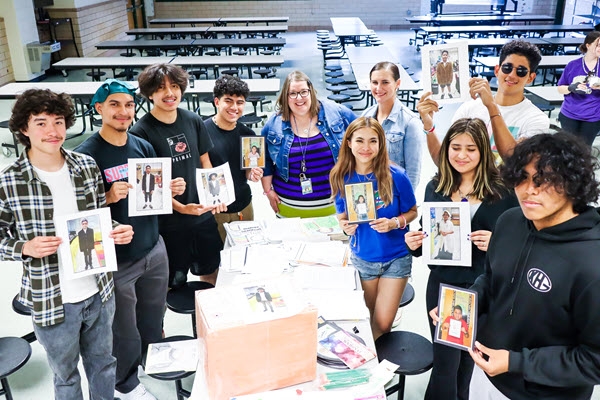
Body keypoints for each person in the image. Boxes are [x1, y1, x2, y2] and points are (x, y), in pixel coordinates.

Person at [0, 88, 134, 400]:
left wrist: (116, 229)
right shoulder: (10, 181)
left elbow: (96, 215)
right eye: (41, 123)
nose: (52, 132)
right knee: (66, 375)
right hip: (52, 298)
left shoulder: (85, 166)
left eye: (58, 122)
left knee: (103, 364)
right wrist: (24, 248)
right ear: (23, 128)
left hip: (99, 290)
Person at [457, 132, 600, 399]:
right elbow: (491, 278)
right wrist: (466, 303)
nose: (529, 189)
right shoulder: (510, 221)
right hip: (485, 372)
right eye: (522, 177)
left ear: (574, 183)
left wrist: (515, 362)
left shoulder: (592, 261)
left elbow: (595, 359)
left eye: (544, 179)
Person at [75, 79, 186, 400]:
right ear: (98, 109)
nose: (123, 112)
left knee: (153, 316)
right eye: (114, 105)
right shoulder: (86, 156)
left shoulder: (142, 146)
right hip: (117, 261)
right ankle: (124, 384)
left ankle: (152, 362)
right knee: (122, 330)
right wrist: (106, 197)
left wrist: (171, 189)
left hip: (153, 247)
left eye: (127, 105)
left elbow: (153, 197)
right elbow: (76, 214)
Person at [404, 117, 518, 400]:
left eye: (471, 149)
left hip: (481, 290)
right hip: (443, 286)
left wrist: (497, 243)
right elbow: (428, 238)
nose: (462, 155)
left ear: (483, 152)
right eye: (455, 147)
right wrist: (414, 243)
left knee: (466, 361)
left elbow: (522, 245)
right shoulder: (437, 187)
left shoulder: (503, 193)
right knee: (445, 362)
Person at [129, 63, 225, 287]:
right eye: (161, 88)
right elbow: (146, 189)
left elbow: (205, 161)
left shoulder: (192, 120)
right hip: (169, 225)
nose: (170, 93)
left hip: (203, 215)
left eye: (174, 86)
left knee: (211, 275)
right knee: (173, 283)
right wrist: (182, 208)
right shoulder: (140, 133)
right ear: (150, 93)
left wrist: (216, 195)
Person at [330, 117, 418, 340]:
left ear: (381, 144)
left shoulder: (396, 176)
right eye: (360, 140)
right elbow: (341, 215)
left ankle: (375, 369)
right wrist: (344, 226)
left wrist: (394, 223)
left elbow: (412, 211)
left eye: (373, 141)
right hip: (364, 258)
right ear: (348, 142)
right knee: (369, 317)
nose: (366, 148)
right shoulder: (341, 176)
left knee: (382, 323)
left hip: (396, 258)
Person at [418, 39, 549, 166]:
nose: (512, 75)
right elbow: (444, 162)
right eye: (507, 68)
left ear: (530, 78)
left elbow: (515, 162)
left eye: (521, 71)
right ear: (497, 70)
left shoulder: (536, 119)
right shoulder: (469, 109)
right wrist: (429, 126)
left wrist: (491, 106)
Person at [261, 70, 356, 218]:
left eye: (303, 92)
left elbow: (364, 135)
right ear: (286, 96)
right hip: (288, 208)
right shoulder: (273, 125)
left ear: (311, 91)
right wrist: (267, 191)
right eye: (293, 93)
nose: (299, 98)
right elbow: (264, 160)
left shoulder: (337, 113)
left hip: (334, 208)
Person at [204, 75, 263, 240]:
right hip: (215, 209)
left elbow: (247, 172)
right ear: (217, 102)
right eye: (228, 101)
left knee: (244, 256)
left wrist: (252, 174)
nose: (234, 107)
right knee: (217, 260)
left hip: (244, 206)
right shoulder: (202, 131)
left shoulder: (248, 135)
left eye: (240, 102)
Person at [361, 61, 423, 189]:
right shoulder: (365, 116)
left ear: (397, 84)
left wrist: (405, 204)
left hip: (394, 196)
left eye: (385, 82)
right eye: (374, 82)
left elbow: (413, 174)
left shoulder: (410, 122)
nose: (378, 88)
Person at [557, 31, 600, 146]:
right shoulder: (573, 65)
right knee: (568, 148)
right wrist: (571, 88)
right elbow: (560, 88)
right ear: (588, 45)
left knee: (584, 149)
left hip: (593, 117)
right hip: (569, 114)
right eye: (598, 44)